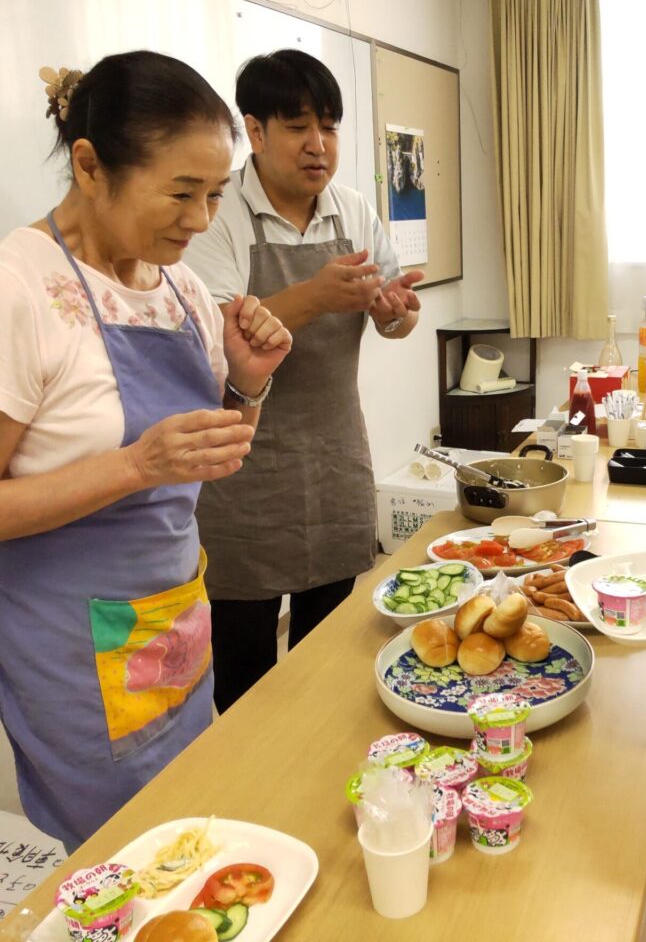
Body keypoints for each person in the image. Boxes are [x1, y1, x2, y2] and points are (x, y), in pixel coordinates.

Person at [0, 51, 293, 851]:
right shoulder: (21, 288)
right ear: (91, 166)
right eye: (180, 192)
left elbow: (212, 458)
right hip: (70, 646)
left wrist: (248, 386)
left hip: (173, 622)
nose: (200, 220)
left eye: (215, 194)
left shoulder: (182, 290)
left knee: (193, 833)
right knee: (122, 859)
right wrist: (135, 465)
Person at [185, 49, 423, 713]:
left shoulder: (352, 209)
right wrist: (316, 295)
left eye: (330, 126)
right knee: (246, 679)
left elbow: (395, 322)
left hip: (335, 453)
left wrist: (394, 313)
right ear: (254, 132)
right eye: (297, 127)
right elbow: (220, 335)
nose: (319, 145)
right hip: (243, 473)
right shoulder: (218, 211)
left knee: (337, 660)